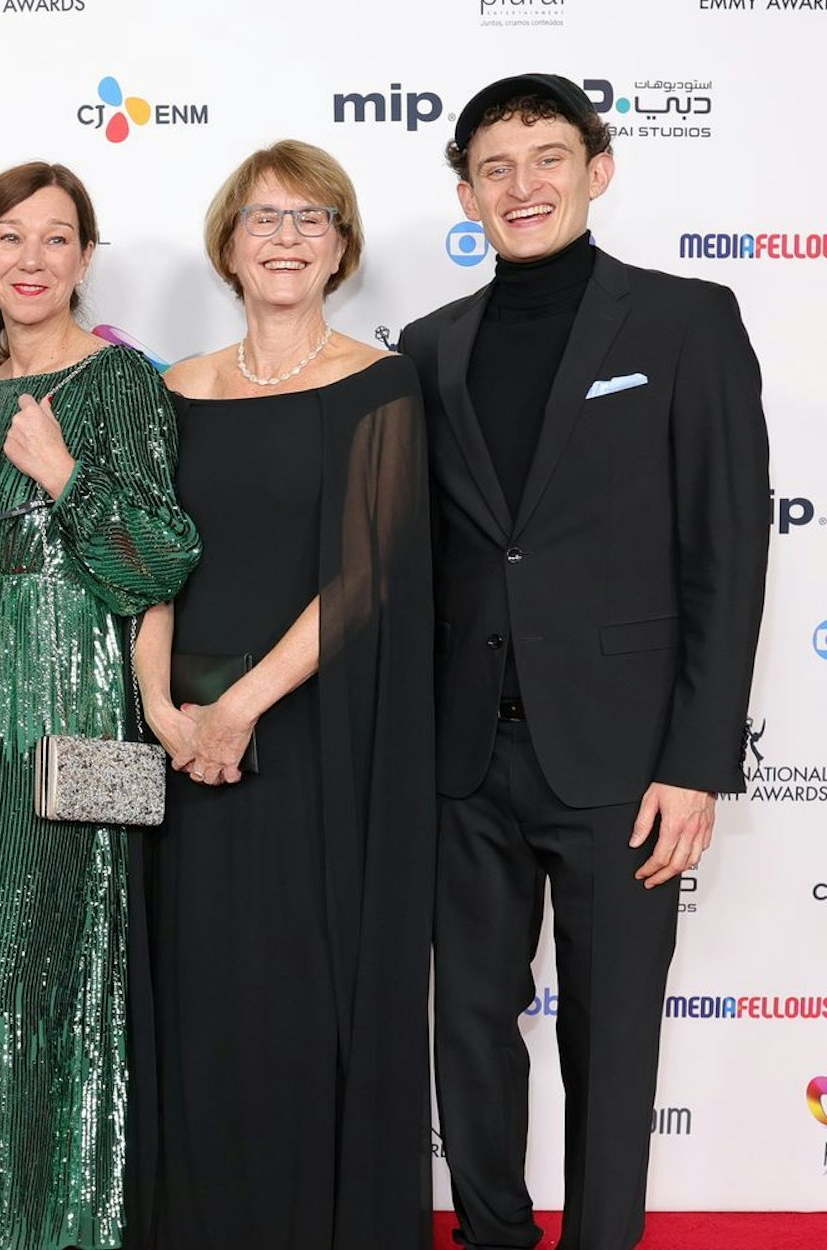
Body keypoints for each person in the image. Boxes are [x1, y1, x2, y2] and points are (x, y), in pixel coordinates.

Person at [399, 74, 769, 1250]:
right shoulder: (425, 346)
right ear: (463, 189)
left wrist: (696, 759)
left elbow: (726, 548)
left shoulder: (682, 320)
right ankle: (494, 1234)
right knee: (464, 1021)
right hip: (462, 758)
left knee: (612, 1037)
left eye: (547, 158)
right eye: (495, 167)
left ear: (595, 170)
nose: (523, 186)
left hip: (620, 762)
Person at [125, 140, 435, 1250]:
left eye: (311, 219)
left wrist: (238, 707)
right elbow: (151, 562)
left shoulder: (379, 380)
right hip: (183, 747)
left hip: (311, 740)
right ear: (227, 242)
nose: (287, 238)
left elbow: (365, 570)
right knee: (198, 997)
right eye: (265, 218)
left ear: (341, 245)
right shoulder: (172, 388)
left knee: (297, 996)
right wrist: (162, 709)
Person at [0, 161, 199, 1250]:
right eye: (9, 238)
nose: (31, 259)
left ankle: (60, 1222)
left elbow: (162, 557)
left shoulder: (118, 382)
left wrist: (65, 474)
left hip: (73, 707)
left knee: (57, 971)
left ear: (84, 256)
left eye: (56, 238)